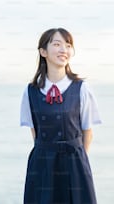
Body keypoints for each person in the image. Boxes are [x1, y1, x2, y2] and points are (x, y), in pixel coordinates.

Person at [20, 27, 101, 204]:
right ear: (43, 52)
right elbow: (35, 132)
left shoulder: (81, 88)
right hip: (42, 164)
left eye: (68, 45)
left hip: (75, 163)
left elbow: (88, 132)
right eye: (57, 44)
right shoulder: (31, 91)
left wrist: (77, 161)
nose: (63, 50)